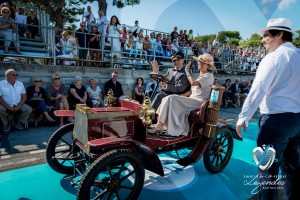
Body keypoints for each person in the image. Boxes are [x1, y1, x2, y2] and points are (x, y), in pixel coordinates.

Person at [236, 18, 300, 200]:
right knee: (293, 169)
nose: (262, 40)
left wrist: (243, 117)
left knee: (267, 173)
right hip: (298, 122)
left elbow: (258, 89)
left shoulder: (273, 58)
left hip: (274, 123)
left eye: (265, 35)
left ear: (279, 34)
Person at [149, 54, 215, 136]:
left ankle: (161, 125)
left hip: (200, 102)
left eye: (202, 63)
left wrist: (187, 71)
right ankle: (159, 124)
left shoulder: (209, 76)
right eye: (199, 62)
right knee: (167, 98)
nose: (199, 64)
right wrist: (181, 96)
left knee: (171, 98)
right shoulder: (198, 76)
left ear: (208, 66)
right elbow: (191, 91)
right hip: (191, 99)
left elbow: (194, 84)